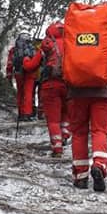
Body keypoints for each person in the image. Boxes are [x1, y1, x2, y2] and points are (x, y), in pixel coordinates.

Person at [67, 48, 107, 192]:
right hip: (102, 94)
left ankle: (80, 177)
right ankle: (99, 165)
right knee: (100, 131)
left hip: (77, 95)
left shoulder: (72, 43)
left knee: (79, 134)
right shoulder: (106, 44)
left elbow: (59, 71)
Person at [22, 21, 70, 156]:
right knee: (66, 114)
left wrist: (25, 60)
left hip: (50, 85)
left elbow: (31, 66)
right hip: (69, 84)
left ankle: (57, 148)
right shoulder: (72, 43)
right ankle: (65, 135)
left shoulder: (47, 45)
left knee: (53, 120)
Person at [5, 34, 36, 121]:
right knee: (28, 93)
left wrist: (9, 74)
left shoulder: (14, 49)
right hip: (30, 73)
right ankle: (27, 113)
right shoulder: (32, 49)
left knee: (20, 93)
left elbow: (10, 63)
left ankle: (21, 113)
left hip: (18, 72)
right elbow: (36, 61)